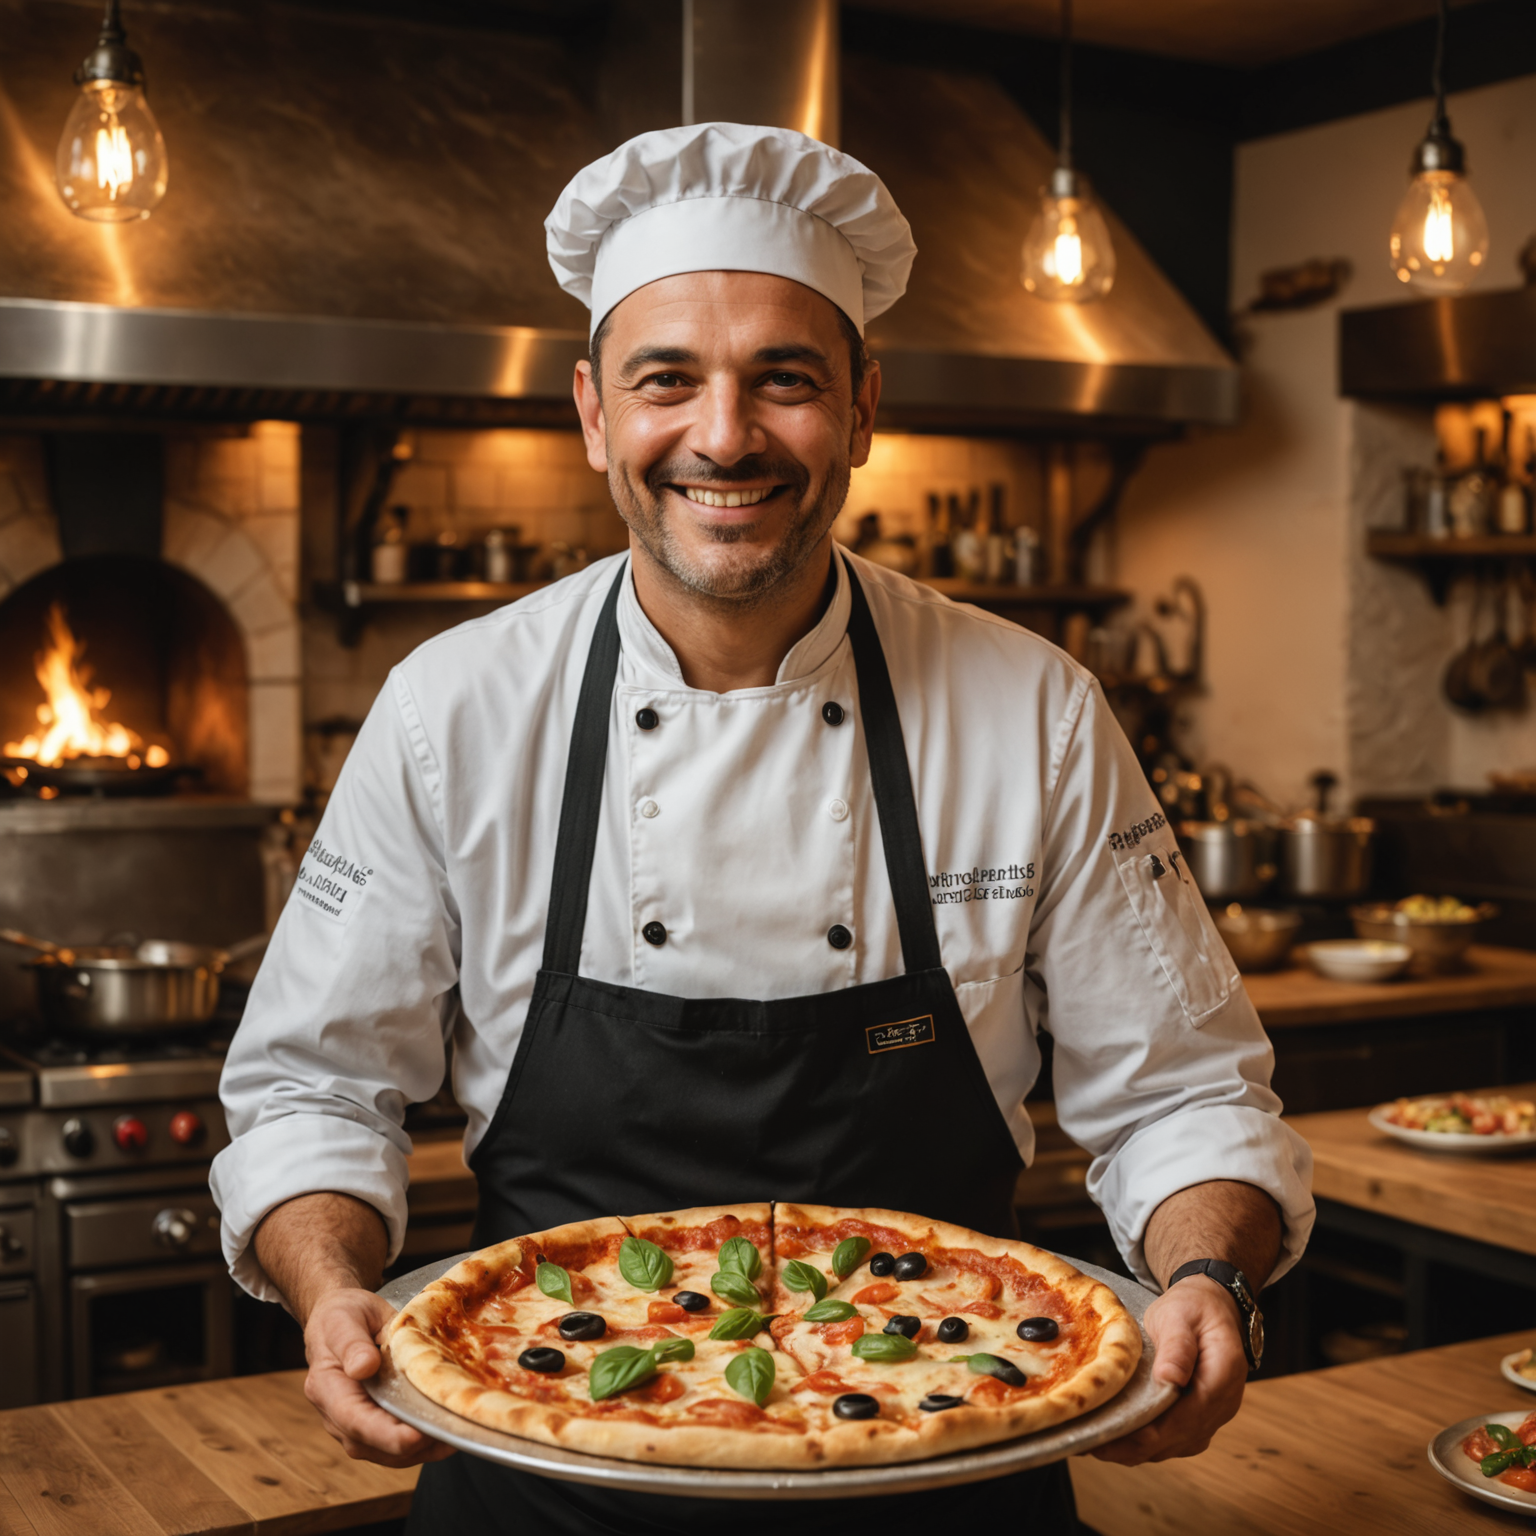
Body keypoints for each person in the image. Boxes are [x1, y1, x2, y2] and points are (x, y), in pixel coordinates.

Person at [211, 122, 1313, 1534]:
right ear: (595, 414)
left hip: (948, 1461)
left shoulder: (1033, 709)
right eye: (666, 380)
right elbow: (309, 1089)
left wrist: (1206, 1285)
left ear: (860, 407)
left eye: (782, 380)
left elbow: (1186, 1098)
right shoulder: (454, 709)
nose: (722, 436)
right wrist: (336, 1293)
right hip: (547, 1476)